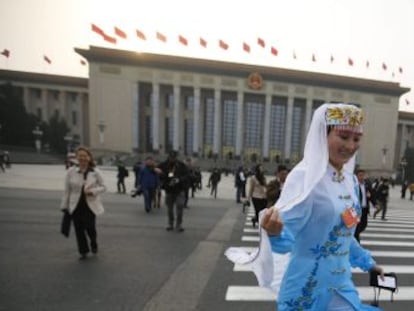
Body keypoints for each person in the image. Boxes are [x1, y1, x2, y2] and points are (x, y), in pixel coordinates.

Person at [226, 103, 384, 311]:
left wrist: (368, 263)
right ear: (323, 135)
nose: (351, 145)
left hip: (341, 286)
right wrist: (274, 233)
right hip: (306, 290)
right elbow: (285, 241)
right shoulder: (306, 178)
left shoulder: (350, 181)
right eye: (344, 137)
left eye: (356, 139)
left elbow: (343, 237)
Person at [60, 146, 106, 260]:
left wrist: (93, 191)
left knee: (90, 227)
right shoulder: (71, 172)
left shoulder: (95, 172)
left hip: (90, 205)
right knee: (78, 229)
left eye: (85, 156)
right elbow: (67, 190)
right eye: (80, 156)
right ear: (76, 157)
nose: (82, 158)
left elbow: (104, 187)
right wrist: (64, 206)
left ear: (89, 158)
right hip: (75, 205)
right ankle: (83, 251)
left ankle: (93, 242)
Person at [157, 151, 189, 232]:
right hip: (169, 190)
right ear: (168, 157)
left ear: (176, 157)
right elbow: (156, 170)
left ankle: (179, 224)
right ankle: (170, 224)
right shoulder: (164, 164)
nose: (172, 159)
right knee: (170, 209)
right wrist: (159, 173)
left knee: (180, 206)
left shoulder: (181, 165)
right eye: (171, 157)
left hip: (179, 190)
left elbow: (186, 175)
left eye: (174, 158)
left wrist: (179, 179)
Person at [354, 168, 377, 243]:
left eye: (363, 175)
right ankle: (357, 242)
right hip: (356, 210)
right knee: (357, 227)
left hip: (364, 209)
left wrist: (375, 204)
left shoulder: (366, 185)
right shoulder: (354, 185)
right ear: (356, 176)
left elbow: (371, 195)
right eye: (360, 175)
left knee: (364, 224)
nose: (362, 177)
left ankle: (354, 236)